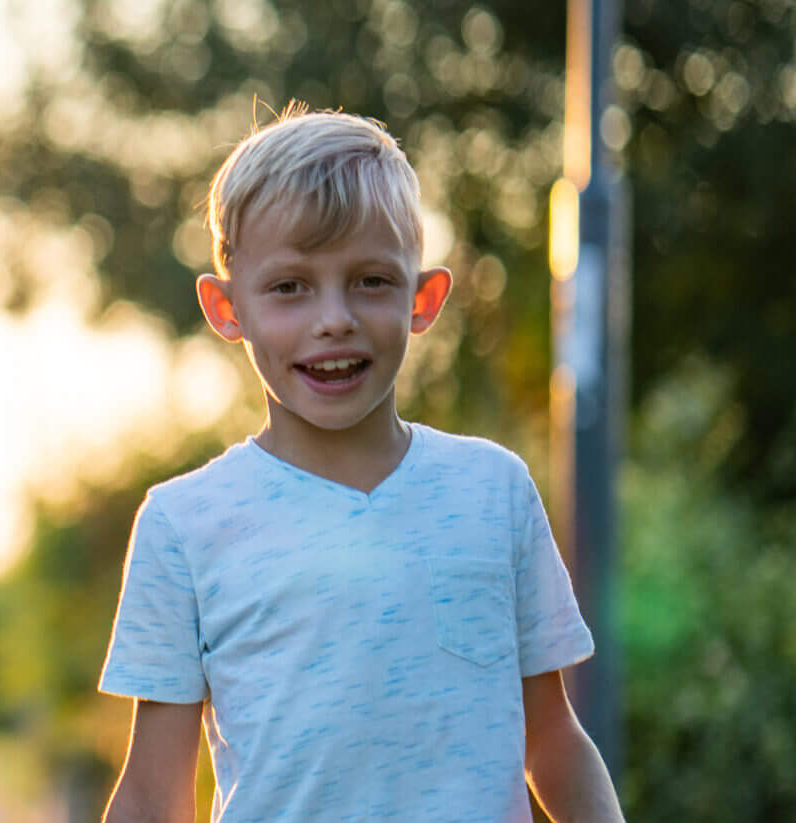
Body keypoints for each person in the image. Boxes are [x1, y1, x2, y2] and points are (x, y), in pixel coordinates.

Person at [95, 107, 626, 823]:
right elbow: (152, 794)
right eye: (289, 287)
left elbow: (552, 741)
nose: (334, 319)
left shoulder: (493, 492)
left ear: (423, 299)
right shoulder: (182, 524)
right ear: (226, 308)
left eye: (371, 280)